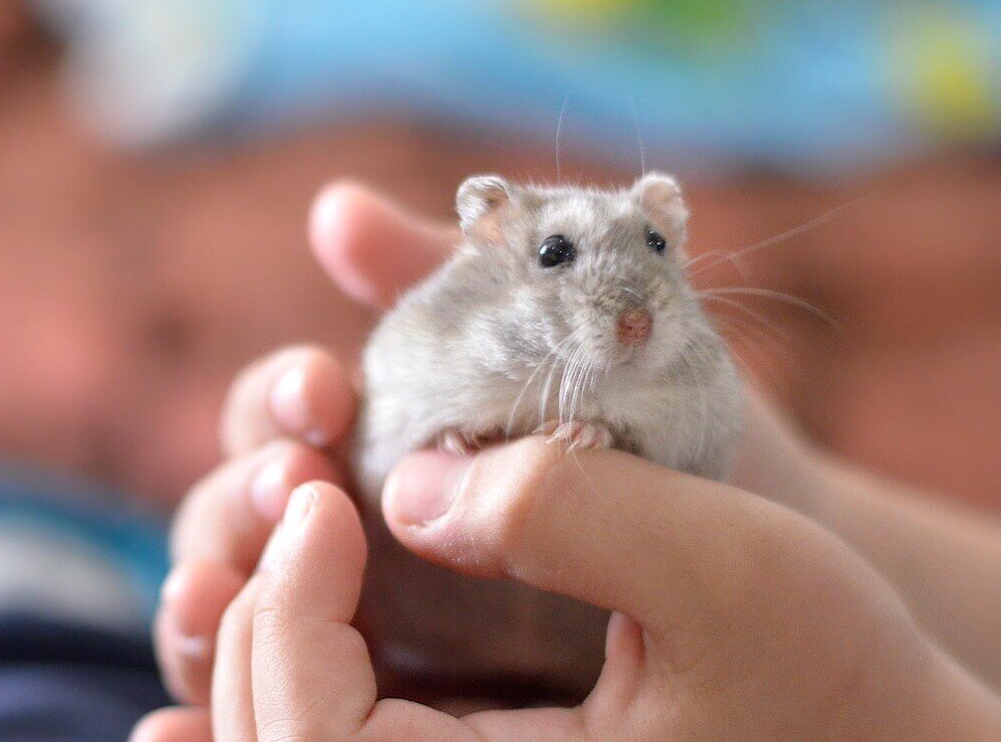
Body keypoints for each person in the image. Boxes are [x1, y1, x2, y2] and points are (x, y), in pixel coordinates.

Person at [134, 181, 1001, 741]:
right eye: (557, 256)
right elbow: (388, 414)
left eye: (655, 250)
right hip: (422, 632)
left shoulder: (697, 375)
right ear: (493, 240)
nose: (633, 309)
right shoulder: (436, 335)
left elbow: (703, 460)